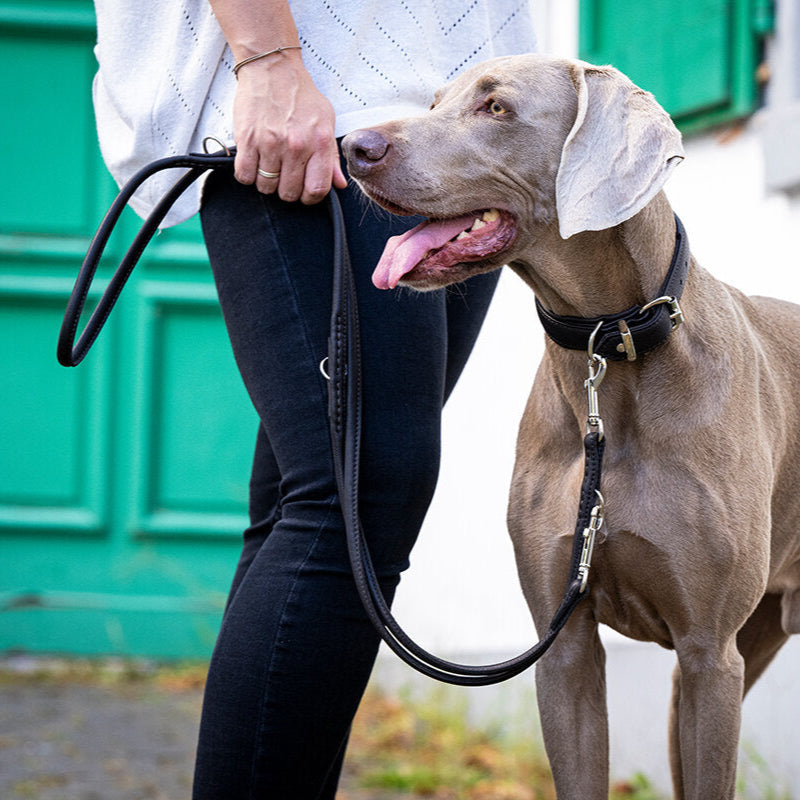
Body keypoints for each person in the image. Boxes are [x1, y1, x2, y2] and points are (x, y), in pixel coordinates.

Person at [91, 1, 537, 796]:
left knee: (325, 498)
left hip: (455, 125)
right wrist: (266, 61)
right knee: (356, 494)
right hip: (330, 94)